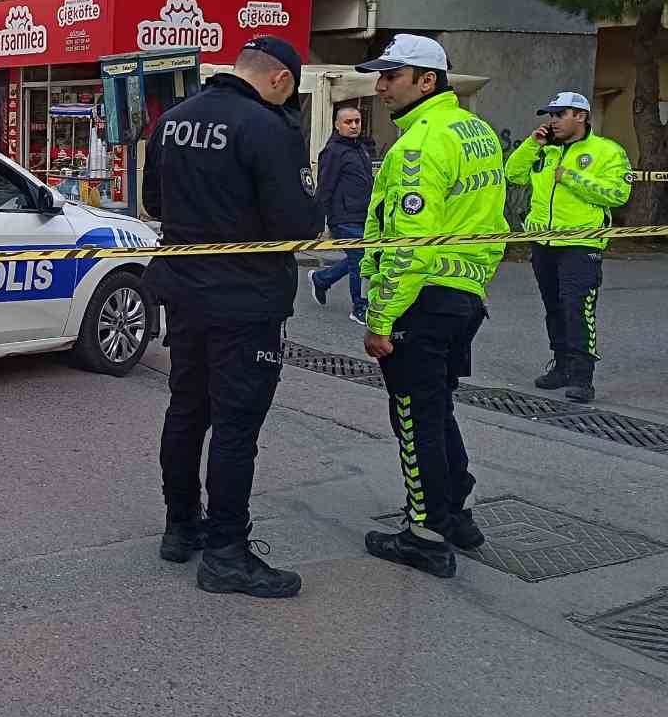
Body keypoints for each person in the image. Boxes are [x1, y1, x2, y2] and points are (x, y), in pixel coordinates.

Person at [143, 36, 323, 599]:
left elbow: (152, 202)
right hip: (245, 300)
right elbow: (297, 224)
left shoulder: (172, 120)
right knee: (236, 426)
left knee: (187, 408)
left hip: (184, 292)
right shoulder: (270, 129)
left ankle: (180, 526)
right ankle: (226, 553)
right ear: (279, 80)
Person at [355, 35, 507, 579]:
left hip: (421, 299)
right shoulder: (477, 131)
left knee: (415, 418)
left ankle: (424, 534)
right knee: (438, 408)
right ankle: (455, 512)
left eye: (391, 76)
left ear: (427, 81)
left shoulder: (419, 144)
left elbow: (409, 244)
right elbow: (494, 223)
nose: (380, 86)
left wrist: (380, 319)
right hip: (463, 296)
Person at [504, 91, 631, 403]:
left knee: (577, 308)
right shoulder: (545, 150)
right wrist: (532, 144)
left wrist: (571, 177)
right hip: (543, 243)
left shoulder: (607, 151)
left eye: (559, 114)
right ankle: (560, 365)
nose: (553, 121)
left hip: (580, 244)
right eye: (550, 115)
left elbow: (618, 194)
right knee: (555, 308)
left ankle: (582, 375)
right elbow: (513, 174)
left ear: (580, 116)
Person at [310, 105, 375, 323]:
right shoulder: (333, 152)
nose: (354, 126)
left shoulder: (361, 148)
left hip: (364, 215)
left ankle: (322, 278)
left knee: (361, 257)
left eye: (357, 121)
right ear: (337, 125)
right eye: (348, 122)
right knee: (360, 258)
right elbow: (324, 187)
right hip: (344, 217)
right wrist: (321, 222)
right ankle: (359, 307)